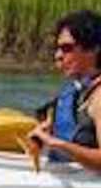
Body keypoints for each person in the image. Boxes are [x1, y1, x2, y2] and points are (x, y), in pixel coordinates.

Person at [29, 9, 101, 171]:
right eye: (58, 48)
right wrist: (40, 138)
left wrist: (57, 143)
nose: (58, 55)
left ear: (93, 49)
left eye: (67, 48)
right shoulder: (78, 91)